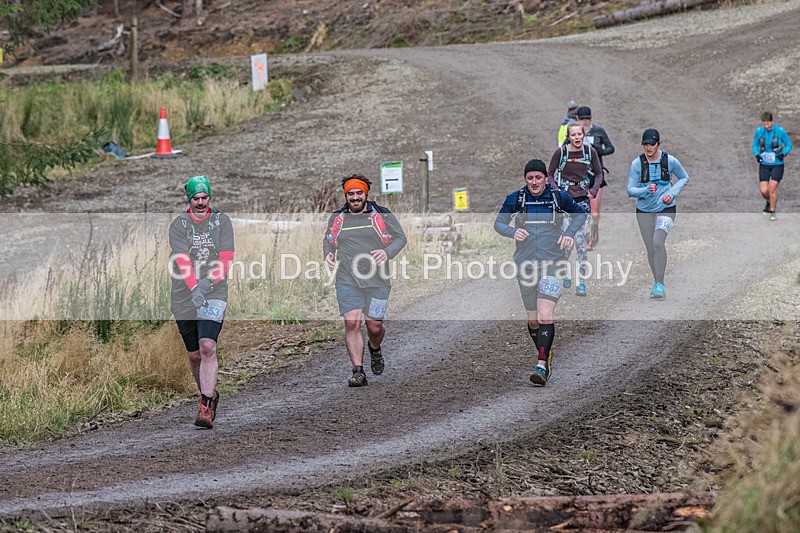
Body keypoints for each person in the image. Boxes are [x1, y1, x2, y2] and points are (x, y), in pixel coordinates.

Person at [494, 159, 587, 386]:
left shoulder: (558, 197)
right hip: (525, 265)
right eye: (530, 178)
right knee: (534, 322)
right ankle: (546, 353)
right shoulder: (516, 199)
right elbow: (498, 223)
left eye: (538, 177)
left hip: (553, 263)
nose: (534, 182)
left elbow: (580, 214)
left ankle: (541, 363)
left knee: (546, 316)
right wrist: (512, 231)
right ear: (525, 179)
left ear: (546, 178)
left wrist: (569, 234)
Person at [323, 174, 407, 387]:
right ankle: (358, 371)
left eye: (359, 193)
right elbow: (329, 240)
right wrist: (328, 254)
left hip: (378, 279)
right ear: (346, 196)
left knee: (374, 326)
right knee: (352, 322)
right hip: (346, 278)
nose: (355, 197)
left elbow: (401, 238)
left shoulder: (382, 214)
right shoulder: (338, 217)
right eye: (350, 194)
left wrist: (387, 253)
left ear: (365, 194)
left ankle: (375, 349)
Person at [169, 175, 235, 428]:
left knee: (207, 346)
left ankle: (205, 406)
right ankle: (209, 394)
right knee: (195, 355)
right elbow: (182, 260)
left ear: (210, 197)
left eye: (204, 197)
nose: (200, 202)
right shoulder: (180, 225)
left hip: (214, 290)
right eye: (195, 198)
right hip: (183, 293)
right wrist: (194, 287)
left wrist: (206, 285)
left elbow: (226, 258)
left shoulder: (221, 221)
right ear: (189, 200)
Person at [626, 129, 689, 299]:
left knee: (658, 242)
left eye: (652, 144)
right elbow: (630, 190)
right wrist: (645, 190)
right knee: (650, 248)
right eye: (645, 144)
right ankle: (656, 281)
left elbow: (684, 177)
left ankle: (660, 284)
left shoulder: (670, 160)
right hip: (644, 210)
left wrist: (672, 193)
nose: (648, 148)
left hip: (666, 209)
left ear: (658, 144)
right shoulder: (637, 164)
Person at [547, 121, 602, 296]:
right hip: (564, 202)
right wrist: (556, 190)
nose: (577, 137)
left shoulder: (589, 151)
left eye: (579, 134)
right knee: (565, 243)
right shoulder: (561, 153)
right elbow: (549, 174)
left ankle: (581, 282)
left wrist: (593, 190)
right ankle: (564, 273)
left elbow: (599, 173)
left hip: (582, 202)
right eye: (573, 135)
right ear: (568, 136)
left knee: (580, 243)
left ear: (583, 135)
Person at [575, 106, 615, 249]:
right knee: (583, 211)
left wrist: (600, 151)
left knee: (594, 212)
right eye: (583, 119)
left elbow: (611, 148)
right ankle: (588, 240)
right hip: (579, 178)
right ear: (577, 119)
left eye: (588, 118)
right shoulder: (575, 133)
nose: (586, 121)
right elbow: (564, 149)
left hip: (596, 176)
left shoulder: (599, 131)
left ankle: (595, 229)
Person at [752, 111, 792, 221]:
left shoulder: (780, 131)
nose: (766, 126)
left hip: (777, 164)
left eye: (768, 124)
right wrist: (757, 155)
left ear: (772, 122)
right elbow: (755, 144)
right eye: (764, 124)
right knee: (764, 190)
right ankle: (769, 201)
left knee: (772, 188)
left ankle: (773, 211)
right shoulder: (759, 132)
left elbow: (788, 144)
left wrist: (784, 153)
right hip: (764, 164)